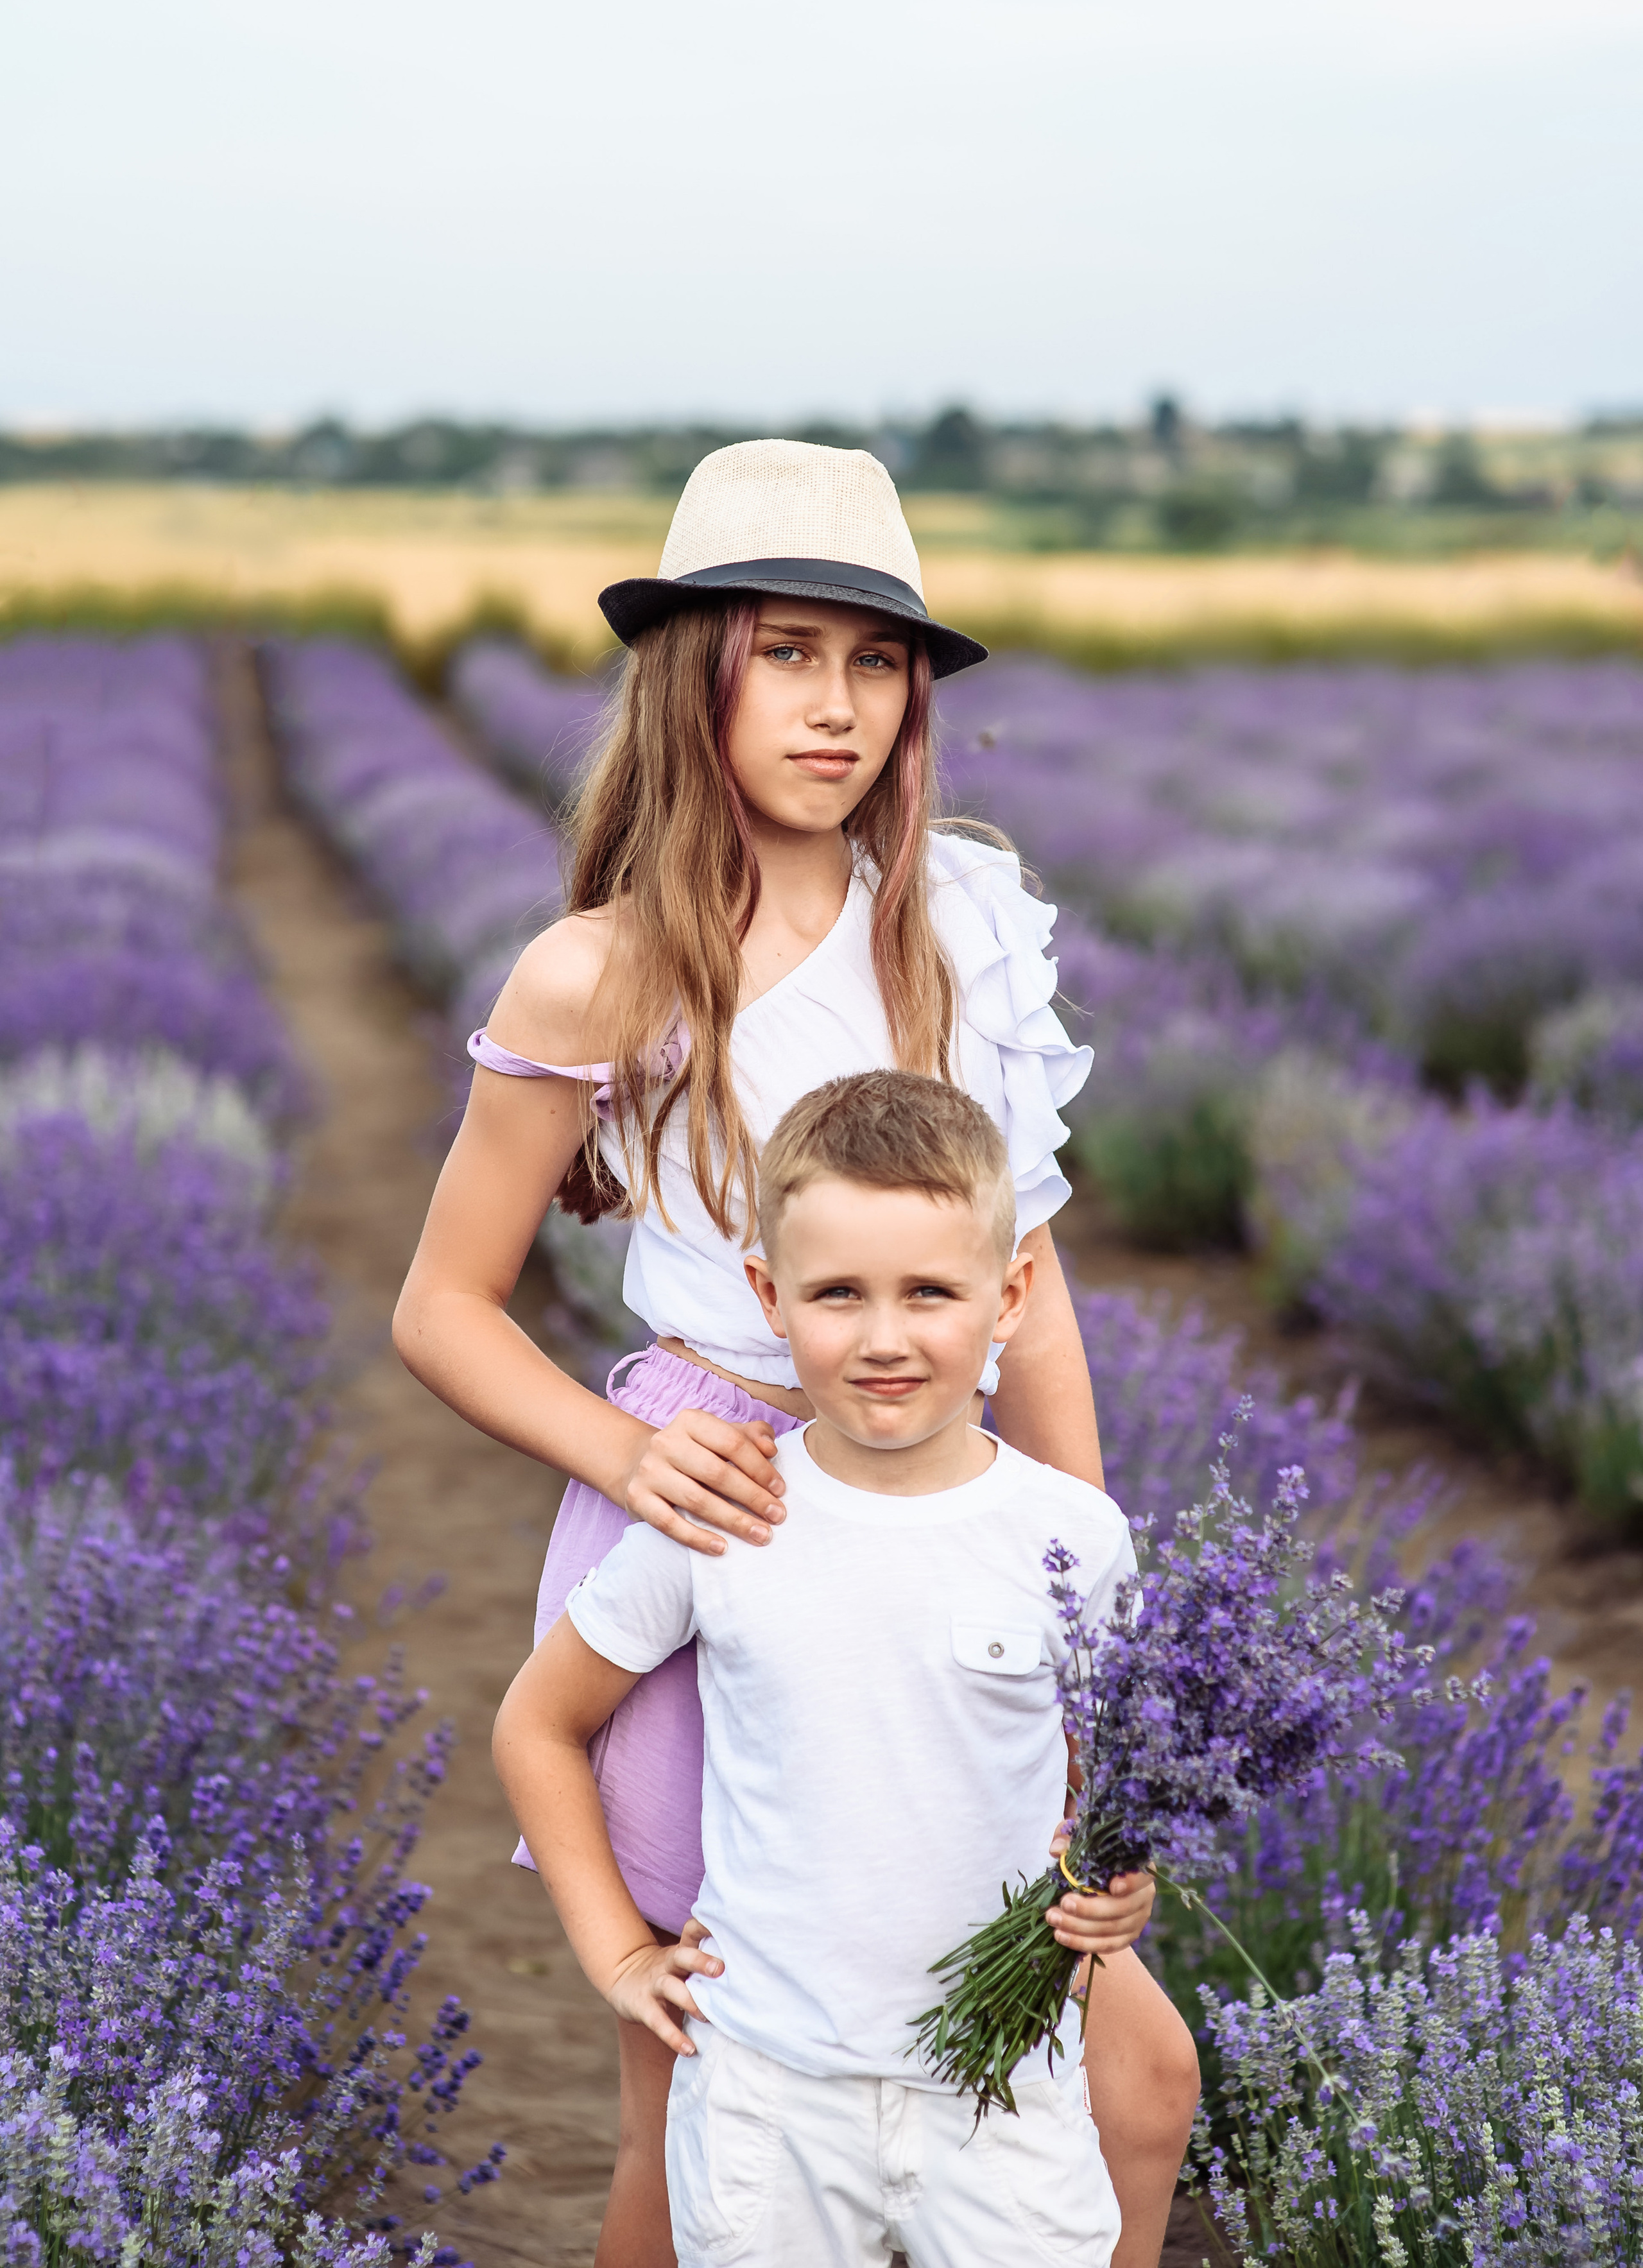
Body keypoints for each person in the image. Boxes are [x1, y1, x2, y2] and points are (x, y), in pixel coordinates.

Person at [393, 439, 1200, 2265]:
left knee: (1127, 2079)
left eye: (875, 661)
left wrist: (1086, 1592)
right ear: (698, 675)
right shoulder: (599, 971)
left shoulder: (961, 931)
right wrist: (621, 1460)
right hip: (723, 1503)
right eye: (784, 653)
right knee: (697, 2099)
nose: (834, 706)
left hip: (946, 1507)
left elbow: (1035, 1287)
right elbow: (441, 1303)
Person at [495, 1072, 1146, 2268]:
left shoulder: (1073, 1536)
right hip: (769, 2092)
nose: (885, 1336)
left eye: (931, 1293)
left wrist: (1115, 1886)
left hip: (1001, 2087)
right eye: (839, 1293)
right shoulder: (729, 1515)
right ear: (769, 1296)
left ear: (1008, 1299)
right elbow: (537, 1723)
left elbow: (1110, 1783)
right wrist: (621, 1954)